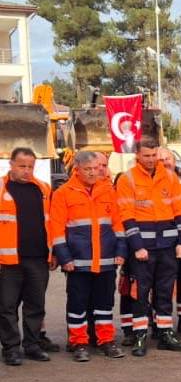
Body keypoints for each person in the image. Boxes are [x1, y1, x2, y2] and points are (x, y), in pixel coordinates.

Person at [50, 150, 126, 361]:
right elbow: (56, 229)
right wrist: (65, 258)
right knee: (77, 305)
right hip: (77, 262)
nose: (93, 173)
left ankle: (106, 341)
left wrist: (121, 251)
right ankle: (78, 342)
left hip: (106, 261)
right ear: (77, 169)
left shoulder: (108, 191)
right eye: (88, 169)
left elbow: (118, 225)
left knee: (105, 304)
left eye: (96, 168)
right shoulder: (63, 193)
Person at [116, 138, 181, 356]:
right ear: (137, 155)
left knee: (165, 292)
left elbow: (180, 210)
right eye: (146, 155)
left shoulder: (169, 176)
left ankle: (165, 332)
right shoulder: (127, 179)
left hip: (167, 246)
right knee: (140, 293)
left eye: (153, 155)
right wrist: (137, 246)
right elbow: (126, 215)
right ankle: (140, 335)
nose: (150, 159)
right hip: (143, 248)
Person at [0, 147, 53, 365]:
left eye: (30, 166)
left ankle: (32, 345)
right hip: (8, 262)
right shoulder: (1, 189)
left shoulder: (43, 189)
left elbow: (52, 223)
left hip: (38, 258)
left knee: (35, 305)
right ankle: (11, 348)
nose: (26, 170)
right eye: (22, 166)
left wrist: (53, 252)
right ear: (11, 164)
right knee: (7, 306)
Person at [158, 146, 181, 333]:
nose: (164, 163)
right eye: (160, 159)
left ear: (174, 160)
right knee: (162, 284)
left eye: (168, 159)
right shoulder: (154, 180)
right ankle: (160, 323)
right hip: (161, 240)